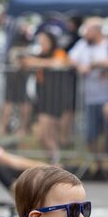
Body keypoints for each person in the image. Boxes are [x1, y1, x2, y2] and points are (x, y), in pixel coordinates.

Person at [21, 30, 69, 164]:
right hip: (42, 97)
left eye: (44, 41)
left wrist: (37, 62)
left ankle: (56, 163)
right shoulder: (40, 55)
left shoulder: (58, 52)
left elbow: (59, 62)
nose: (42, 44)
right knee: (44, 135)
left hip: (55, 98)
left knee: (46, 133)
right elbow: (26, 63)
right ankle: (55, 162)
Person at [67, 18, 108, 153]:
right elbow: (70, 58)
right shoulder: (83, 44)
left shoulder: (107, 45)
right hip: (89, 98)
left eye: (87, 30)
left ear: (96, 31)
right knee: (90, 135)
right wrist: (79, 66)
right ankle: (97, 164)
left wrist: (95, 64)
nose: (85, 33)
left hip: (107, 97)